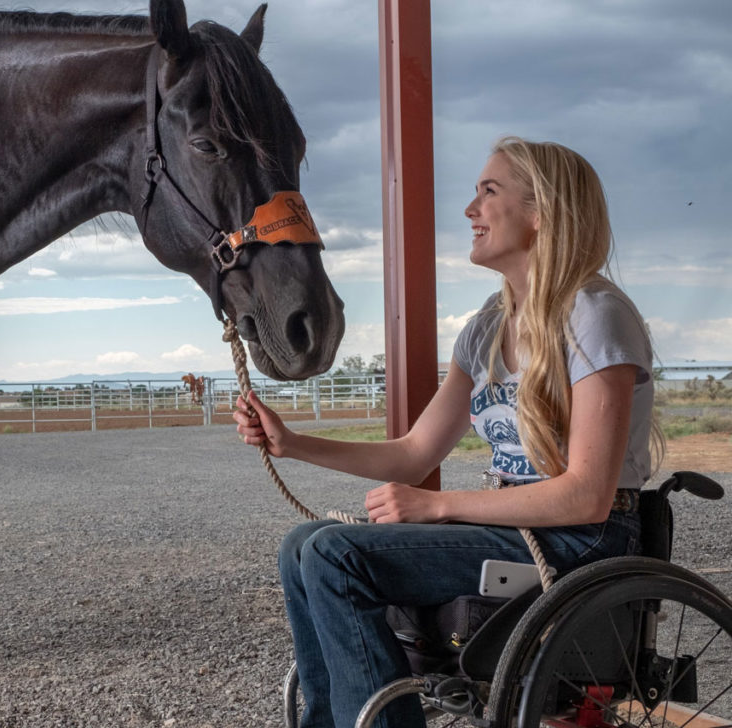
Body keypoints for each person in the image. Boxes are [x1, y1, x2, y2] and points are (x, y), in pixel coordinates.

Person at [233, 137, 660, 728]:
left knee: (336, 555)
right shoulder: (487, 326)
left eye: (488, 191)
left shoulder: (595, 315)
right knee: (300, 546)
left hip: (582, 538)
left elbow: (586, 495)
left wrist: (437, 506)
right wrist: (292, 442)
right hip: (518, 526)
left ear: (543, 212)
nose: (469, 210)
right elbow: (414, 454)